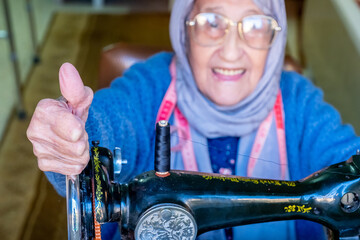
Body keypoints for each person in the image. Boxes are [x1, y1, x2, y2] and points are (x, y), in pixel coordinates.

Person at [26, 0, 360, 239]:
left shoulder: (298, 102)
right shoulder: (149, 86)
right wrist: (73, 140)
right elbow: (106, 131)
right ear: (184, 28)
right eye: (211, 22)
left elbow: (348, 164)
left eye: (255, 25)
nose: (231, 51)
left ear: (276, 37)